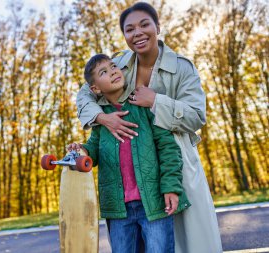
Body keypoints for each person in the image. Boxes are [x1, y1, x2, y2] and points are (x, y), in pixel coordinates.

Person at [76, 2, 223, 253]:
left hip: (173, 158)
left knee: (186, 239)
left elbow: (197, 116)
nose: (138, 33)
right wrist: (104, 119)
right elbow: (84, 95)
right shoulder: (119, 62)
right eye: (130, 29)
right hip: (130, 164)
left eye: (145, 24)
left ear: (157, 26)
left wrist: (155, 101)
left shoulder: (182, 67)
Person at [68, 53, 190, 253]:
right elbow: (93, 151)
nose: (113, 71)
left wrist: (171, 187)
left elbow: (168, 148)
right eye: (104, 72)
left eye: (113, 66)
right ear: (95, 88)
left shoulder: (144, 108)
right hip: (118, 209)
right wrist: (80, 151)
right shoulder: (101, 121)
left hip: (153, 202)